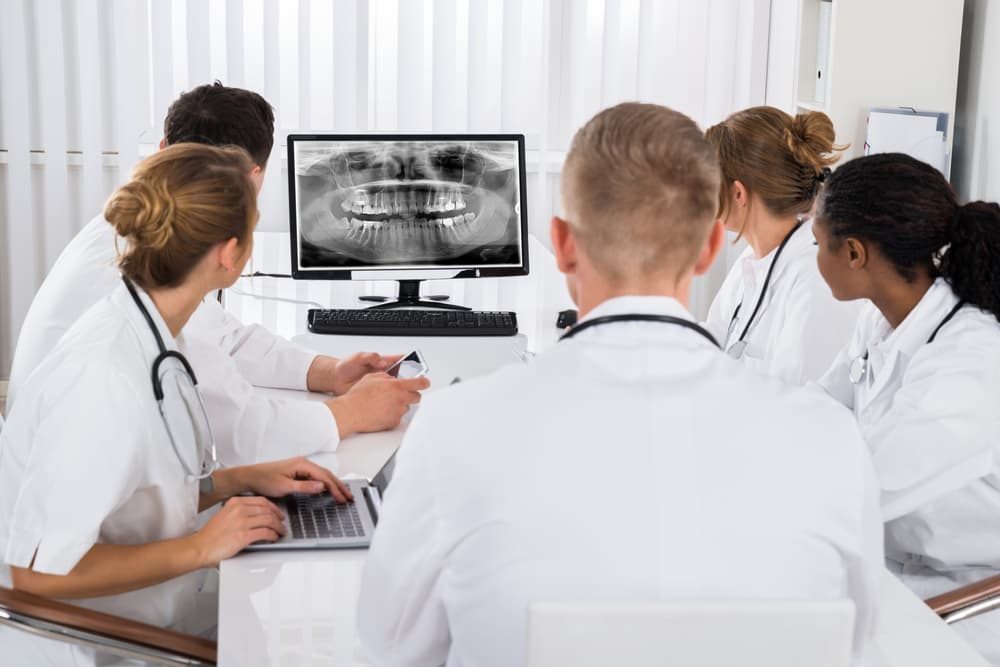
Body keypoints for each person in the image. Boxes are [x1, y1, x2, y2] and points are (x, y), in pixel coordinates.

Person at [357, 103, 882, 667]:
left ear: (560, 245)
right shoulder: (829, 439)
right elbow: (861, 647)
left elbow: (390, 651)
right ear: (710, 247)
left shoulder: (450, 431)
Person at [0, 144, 400, 665]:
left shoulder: (154, 326)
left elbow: (137, 493)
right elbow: (35, 574)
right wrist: (202, 546)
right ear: (229, 253)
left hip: (161, 601)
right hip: (103, 639)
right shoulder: (103, 380)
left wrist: (240, 480)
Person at [6, 82, 427, 463]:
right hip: (69, 502)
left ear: (160, 151)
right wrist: (351, 413)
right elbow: (238, 433)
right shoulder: (145, 275)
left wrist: (327, 372)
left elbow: (221, 337)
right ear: (253, 176)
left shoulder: (140, 232)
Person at [813, 153, 1000, 661]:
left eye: (815, 242)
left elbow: (861, 487)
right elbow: (819, 408)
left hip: (968, 601)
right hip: (898, 573)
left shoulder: (970, 363)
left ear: (854, 253)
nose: (814, 256)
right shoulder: (883, 322)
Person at [703, 106, 860, 383]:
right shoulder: (751, 259)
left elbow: (799, 400)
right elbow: (713, 341)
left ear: (738, 193)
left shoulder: (817, 279)